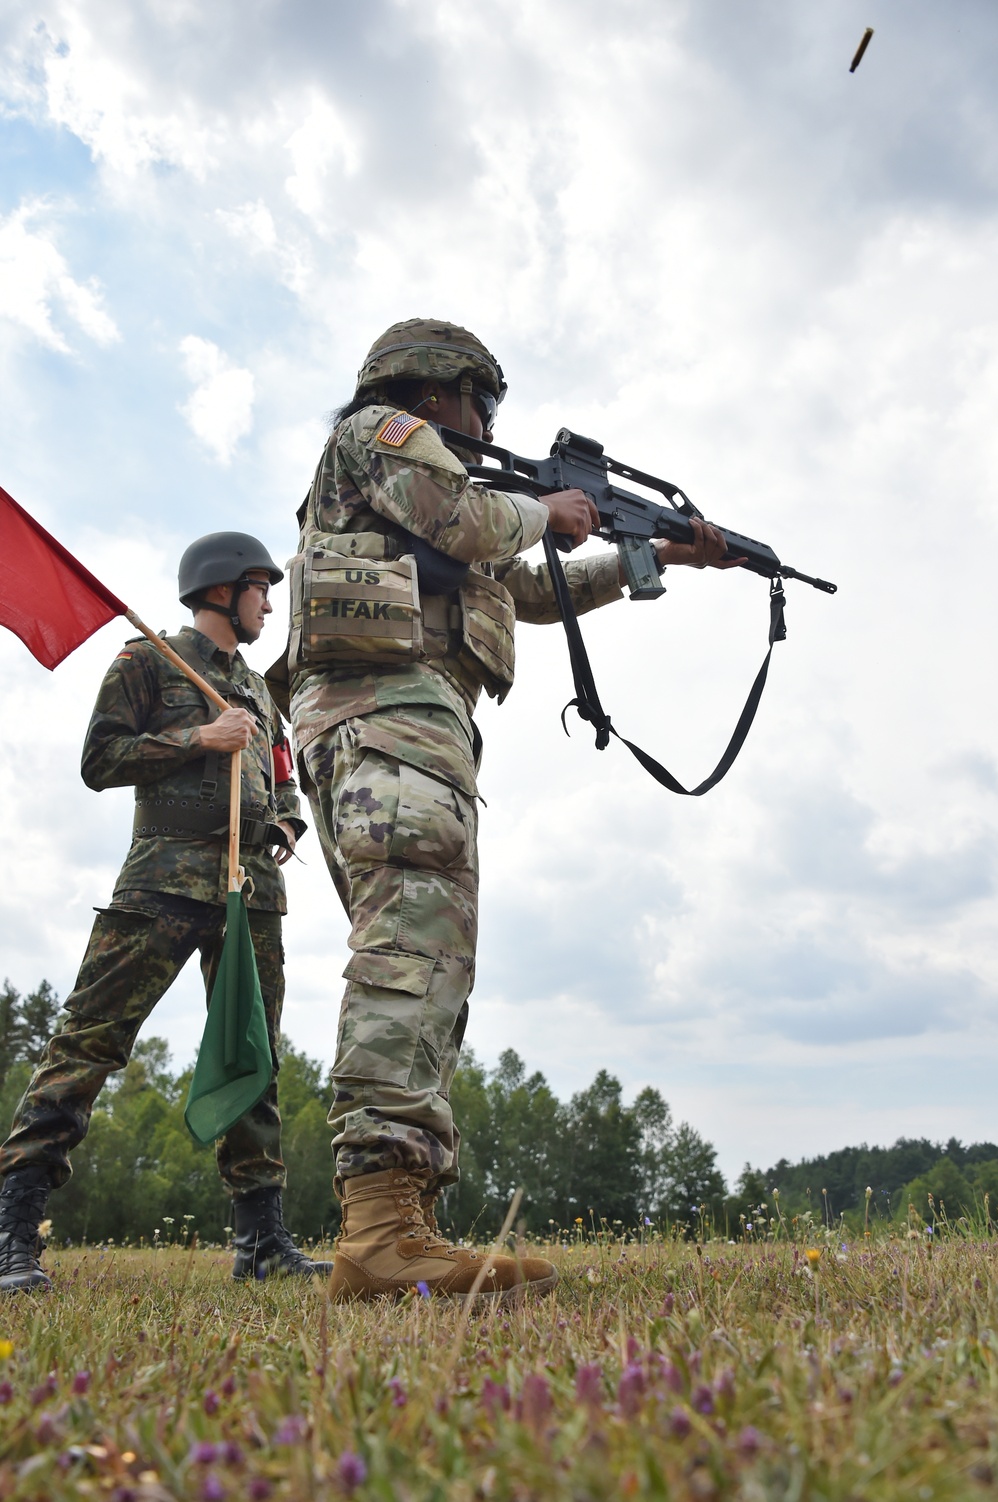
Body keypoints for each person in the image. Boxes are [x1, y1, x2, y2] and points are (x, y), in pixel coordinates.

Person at [284, 319, 730, 1302]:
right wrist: (553, 506)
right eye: (479, 401)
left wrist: (650, 559)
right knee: (412, 950)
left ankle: (401, 1221)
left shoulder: (439, 496)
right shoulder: (383, 437)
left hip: (406, 727)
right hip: (387, 718)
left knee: (429, 954)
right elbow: (482, 523)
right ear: (436, 390)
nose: (485, 422)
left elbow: (520, 586)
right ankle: (381, 1232)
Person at [0, 533, 331, 1292]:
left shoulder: (260, 690)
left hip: (250, 894)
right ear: (222, 589)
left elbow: (283, 776)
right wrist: (197, 738)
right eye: (260, 588)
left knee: (255, 1054)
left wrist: (284, 822)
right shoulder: (146, 660)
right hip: (162, 880)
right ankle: (13, 1236)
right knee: (88, 1044)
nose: (269, 604)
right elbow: (99, 760)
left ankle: (261, 1243)